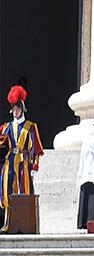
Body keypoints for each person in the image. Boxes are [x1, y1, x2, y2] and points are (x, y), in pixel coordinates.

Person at [0, 84, 43, 217]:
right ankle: (9, 221)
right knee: (7, 191)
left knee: (24, 191)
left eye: (18, 109)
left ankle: (24, 221)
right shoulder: (7, 126)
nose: (15, 111)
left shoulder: (30, 126)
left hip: (24, 162)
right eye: (13, 109)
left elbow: (35, 149)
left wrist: (34, 167)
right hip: (10, 162)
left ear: (22, 110)